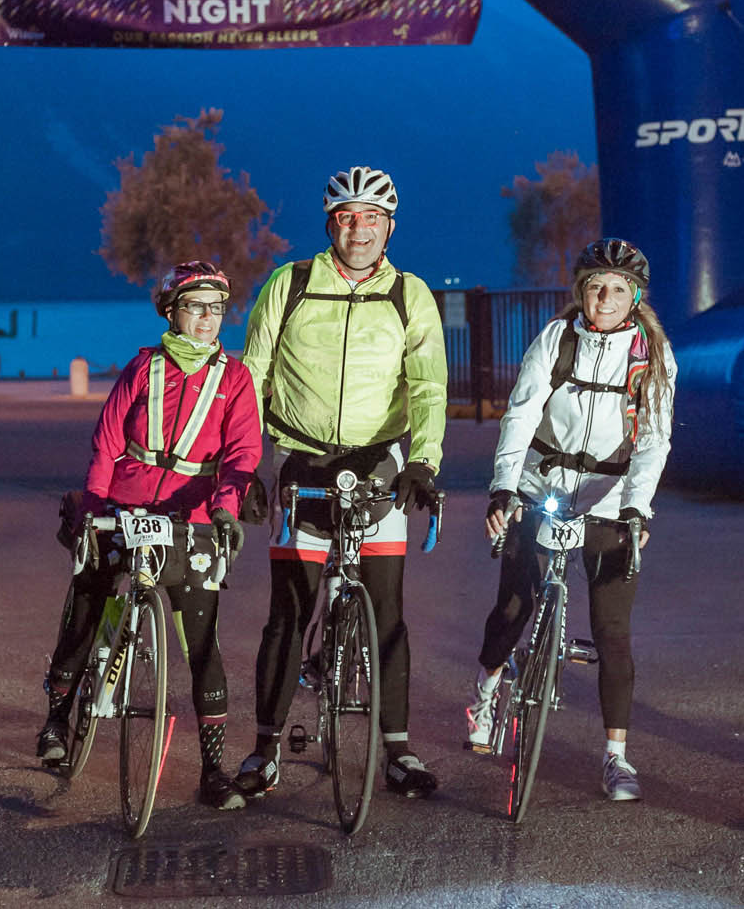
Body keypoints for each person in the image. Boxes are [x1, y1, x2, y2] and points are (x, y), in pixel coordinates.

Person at [232, 165, 448, 801]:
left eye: (372, 217)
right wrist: (245, 466)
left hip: (379, 464)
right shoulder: (290, 284)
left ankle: (398, 751)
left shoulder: (410, 294)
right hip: (300, 462)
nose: (360, 229)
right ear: (331, 225)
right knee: (287, 616)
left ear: (389, 227)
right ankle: (264, 749)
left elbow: (429, 386)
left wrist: (423, 462)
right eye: (348, 217)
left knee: (387, 616)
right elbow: (251, 376)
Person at [35, 262, 262, 810]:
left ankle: (213, 771)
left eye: (215, 308)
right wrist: (94, 508)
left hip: (195, 517)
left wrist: (226, 510)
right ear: (170, 312)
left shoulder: (235, 378)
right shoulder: (143, 367)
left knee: (202, 643)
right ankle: (57, 719)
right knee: (88, 600)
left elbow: (243, 454)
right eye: (194, 307)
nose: (207, 318)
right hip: (124, 506)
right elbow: (108, 441)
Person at [465, 238, 676, 802]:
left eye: (618, 289)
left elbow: (654, 440)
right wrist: (504, 487)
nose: (605, 299)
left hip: (609, 498)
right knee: (514, 606)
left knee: (612, 631)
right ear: (581, 291)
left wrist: (636, 508)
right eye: (595, 287)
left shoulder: (653, 355)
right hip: (542, 485)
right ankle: (485, 694)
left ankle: (617, 757)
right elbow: (520, 414)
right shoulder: (556, 339)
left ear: (635, 297)